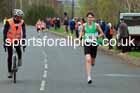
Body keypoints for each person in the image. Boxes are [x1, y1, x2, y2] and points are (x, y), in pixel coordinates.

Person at [79, 12, 104, 84]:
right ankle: (89, 77)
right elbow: (82, 32)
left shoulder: (96, 25)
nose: (90, 19)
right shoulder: (84, 25)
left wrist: (97, 36)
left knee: (92, 60)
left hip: (94, 44)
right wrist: (79, 38)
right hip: (87, 43)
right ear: (86, 18)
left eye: (91, 17)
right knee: (88, 59)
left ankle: (93, 62)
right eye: (88, 17)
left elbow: (102, 33)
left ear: (93, 18)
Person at [3, 9, 26, 78]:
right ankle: (9, 72)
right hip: (9, 39)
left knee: (18, 49)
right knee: (9, 55)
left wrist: (24, 42)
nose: (19, 18)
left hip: (17, 39)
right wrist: (5, 42)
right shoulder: (8, 22)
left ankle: (19, 59)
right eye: (18, 17)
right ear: (14, 16)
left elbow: (24, 33)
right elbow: (4, 32)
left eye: (20, 17)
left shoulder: (22, 22)